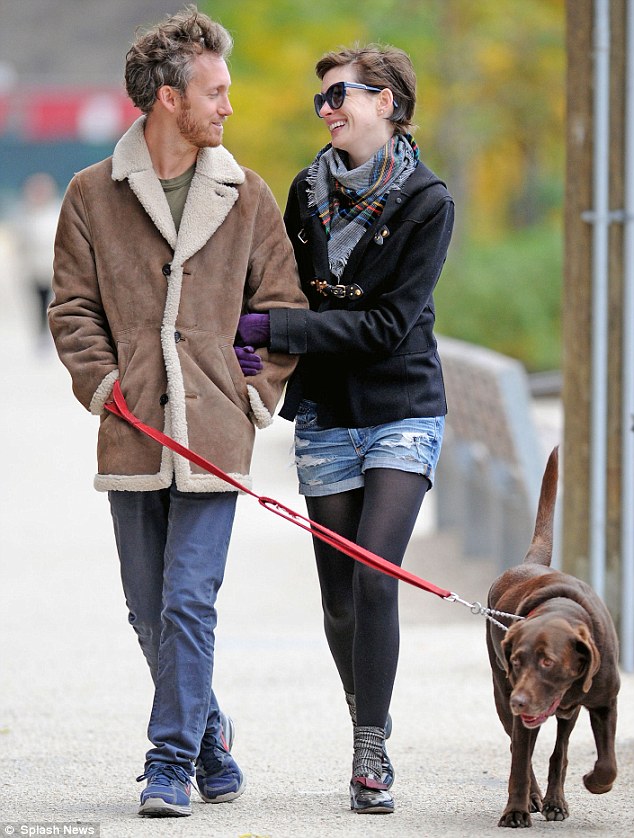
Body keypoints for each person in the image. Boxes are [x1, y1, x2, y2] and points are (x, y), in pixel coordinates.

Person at [48, 6, 306, 819]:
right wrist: (104, 384)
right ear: (168, 97)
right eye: (216, 91)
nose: (227, 107)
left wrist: (252, 390)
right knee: (144, 606)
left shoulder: (247, 193)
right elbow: (71, 309)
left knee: (188, 600)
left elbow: (279, 307)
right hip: (131, 434)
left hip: (215, 437)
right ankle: (208, 733)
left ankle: (168, 764)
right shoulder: (91, 194)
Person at [236, 44, 454, 815]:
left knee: (373, 574)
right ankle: (373, 712)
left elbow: (390, 326)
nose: (328, 109)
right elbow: (284, 285)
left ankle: (370, 752)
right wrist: (252, 334)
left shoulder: (428, 200)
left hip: (402, 410)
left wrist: (280, 326)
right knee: (337, 600)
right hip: (327, 417)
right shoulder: (305, 189)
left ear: (387, 103)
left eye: (341, 95)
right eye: (321, 99)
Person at [13, 172, 61, 351]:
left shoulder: (57, 211)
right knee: (37, 303)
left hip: (54, 267)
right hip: (34, 268)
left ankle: (53, 334)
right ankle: (40, 334)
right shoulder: (24, 214)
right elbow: (21, 243)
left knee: (55, 303)